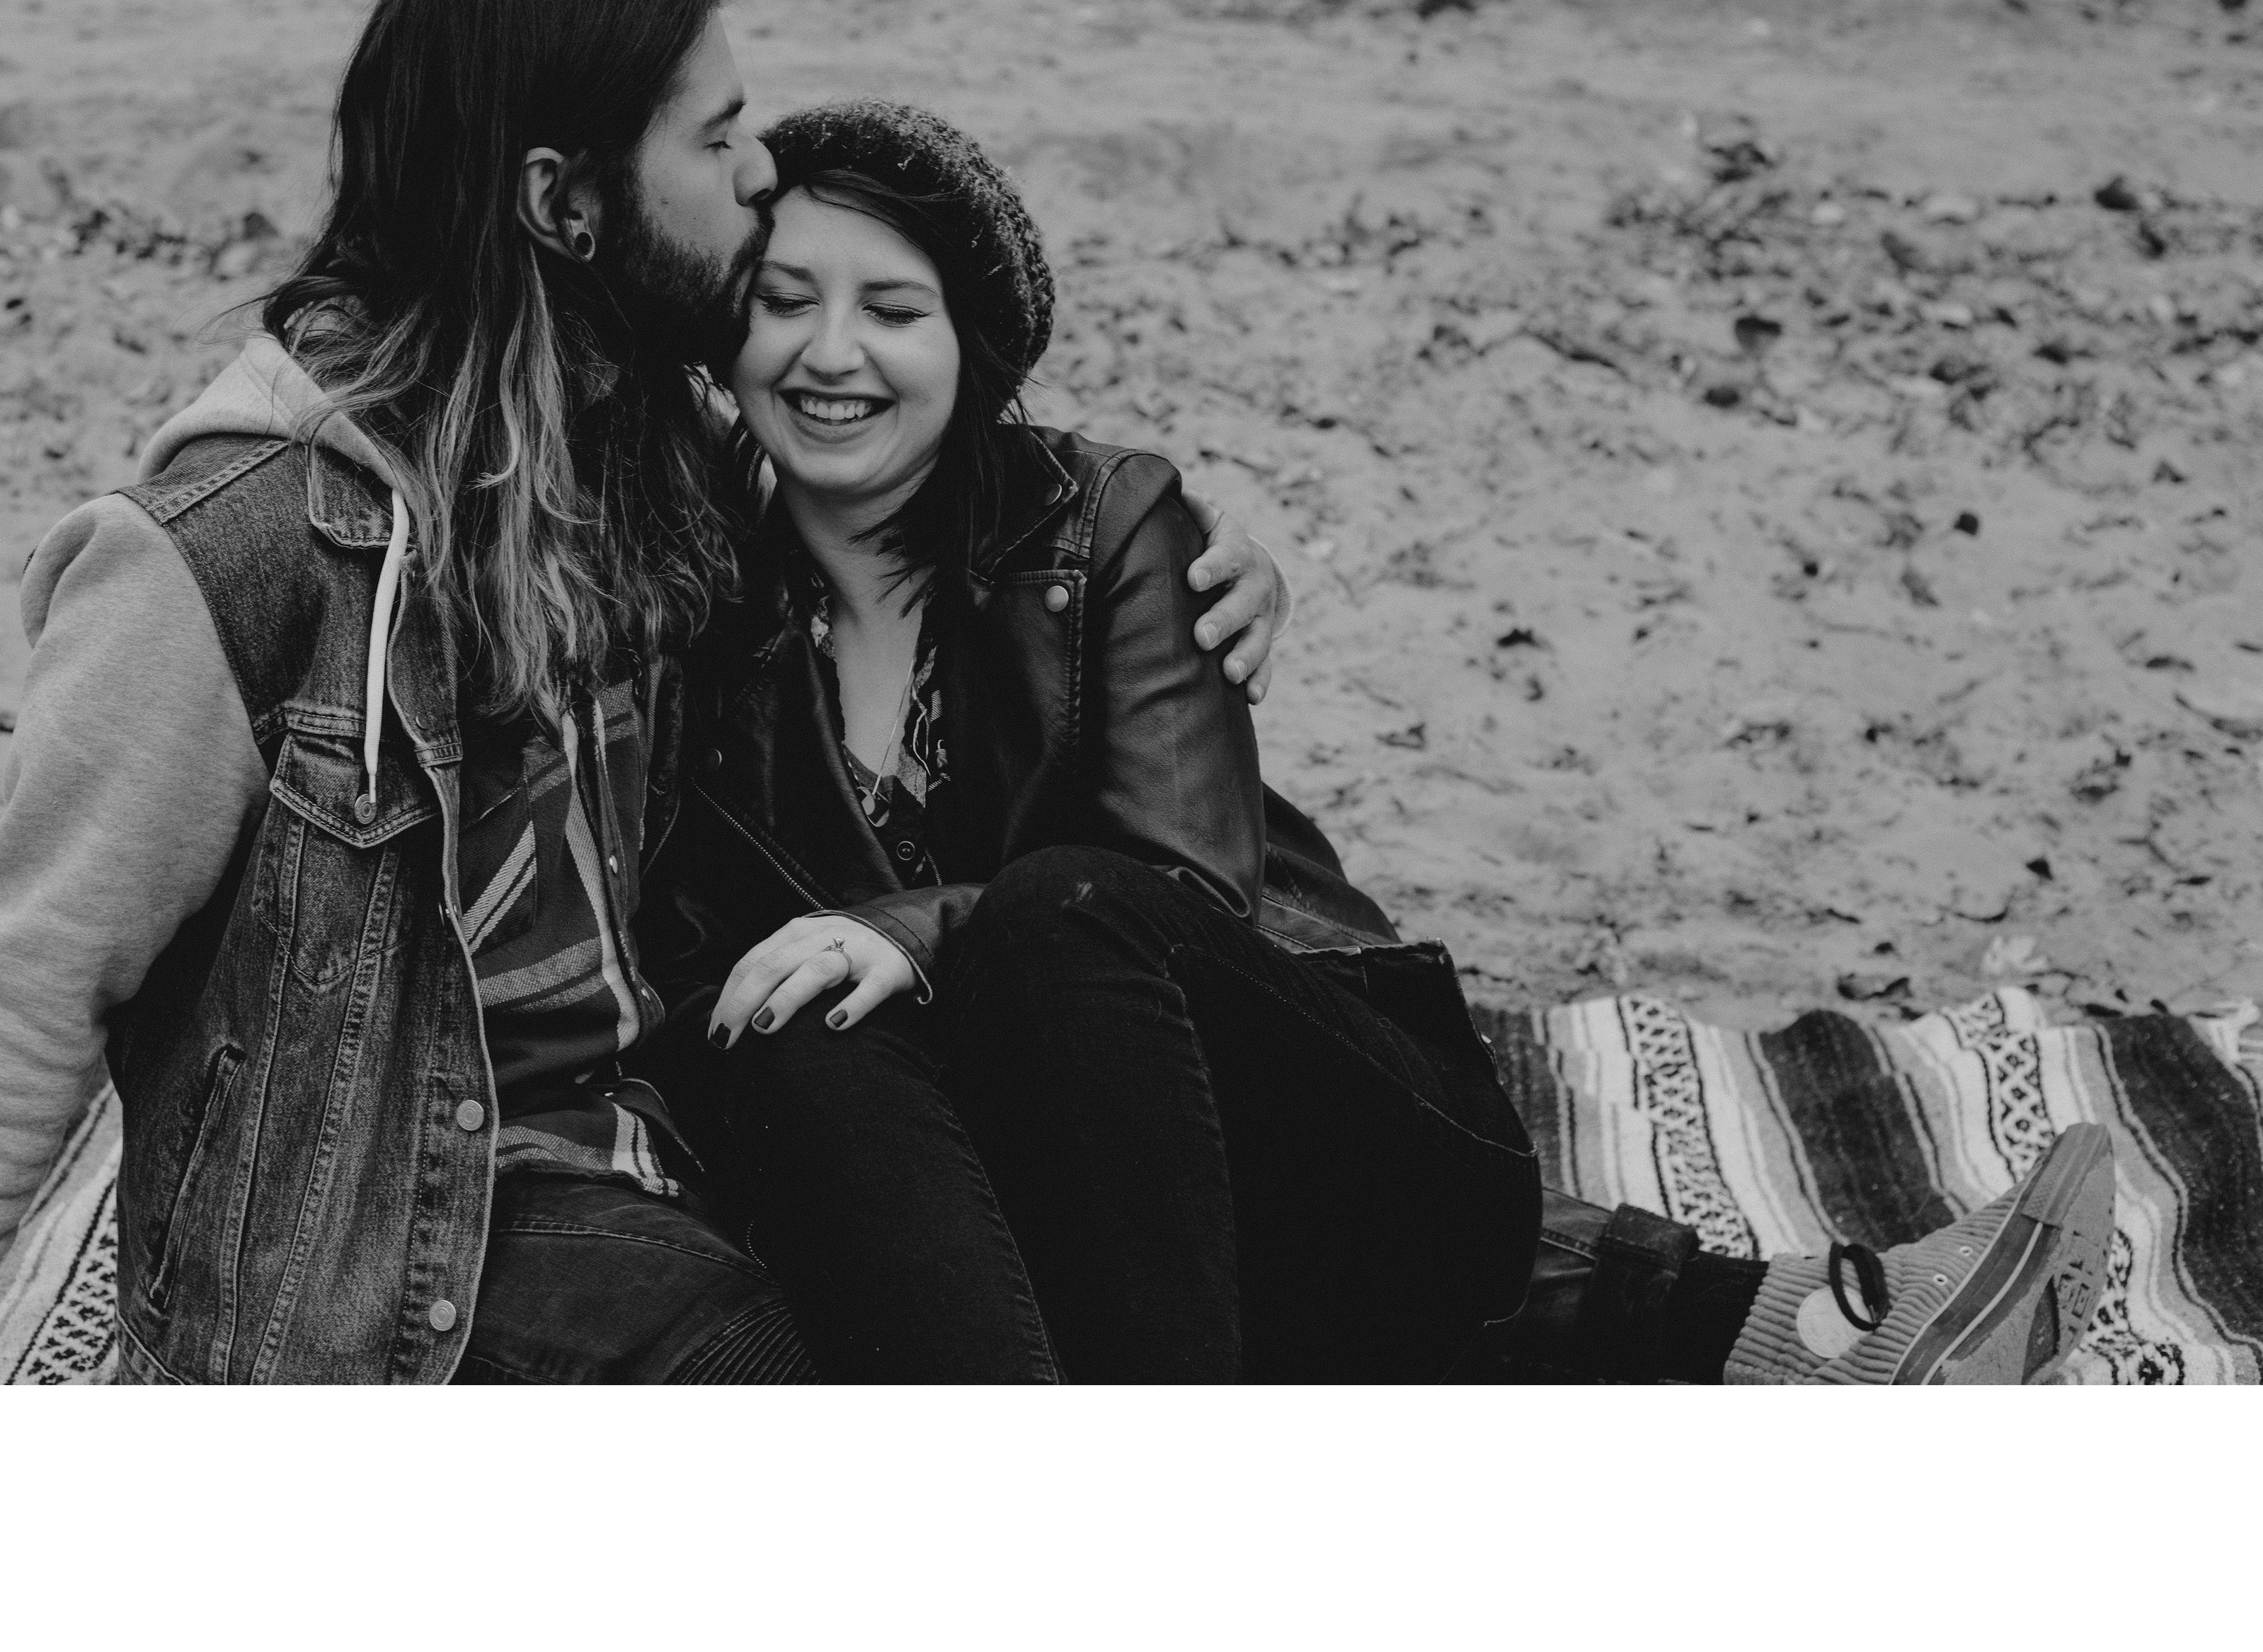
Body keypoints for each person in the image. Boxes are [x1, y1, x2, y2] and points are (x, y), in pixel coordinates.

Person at [0, 0, 1291, 1385]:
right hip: (422, 1241)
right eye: (715, 141)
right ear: (562, 204)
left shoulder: (651, 452)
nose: (760, 172)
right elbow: (23, 992)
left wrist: (1173, 540)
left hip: (683, 1134)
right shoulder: (226, 558)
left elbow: (903, 430)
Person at [637, 101, 2120, 1384]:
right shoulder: (695, 616)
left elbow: (1172, 894)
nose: (831, 355)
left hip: (1343, 1142)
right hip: (1044, 1221)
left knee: (1052, 915)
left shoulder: (1105, 532)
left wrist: (909, 927)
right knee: (789, 1035)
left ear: (973, 347)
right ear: (728, 334)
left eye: (893, 311)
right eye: (785, 303)